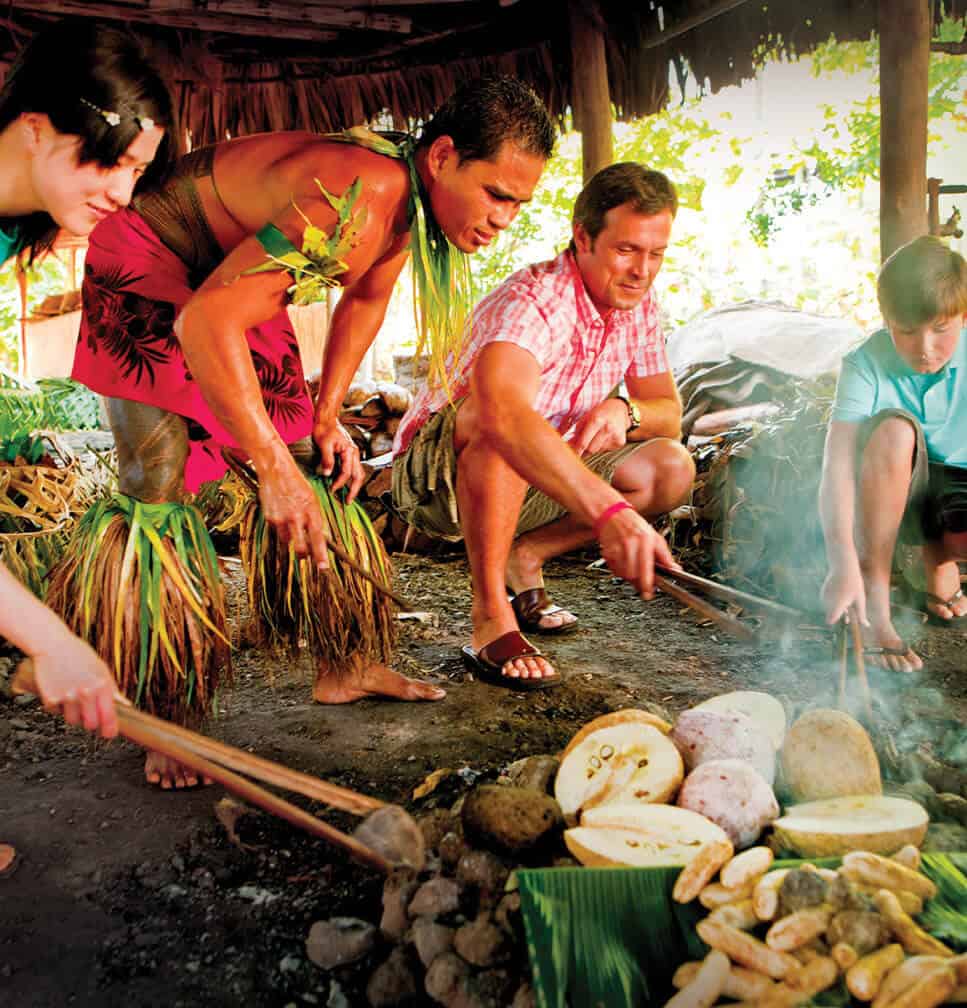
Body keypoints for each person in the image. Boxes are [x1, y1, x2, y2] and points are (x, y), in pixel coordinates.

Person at [55, 76, 555, 786]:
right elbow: (203, 323)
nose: (505, 218)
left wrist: (324, 416)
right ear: (442, 157)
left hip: (228, 273)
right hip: (148, 256)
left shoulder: (405, 205)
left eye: (519, 203)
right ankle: (167, 718)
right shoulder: (361, 193)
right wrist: (269, 467)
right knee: (156, 485)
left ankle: (344, 664)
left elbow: (367, 297)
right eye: (497, 194)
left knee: (314, 458)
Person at [391, 162, 694, 689]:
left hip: (540, 474)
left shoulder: (639, 308)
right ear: (583, 237)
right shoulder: (532, 300)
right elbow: (502, 414)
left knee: (671, 466)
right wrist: (613, 515)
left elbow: (668, 409)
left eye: (656, 254)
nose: (642, 270)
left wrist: (627, 411)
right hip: (437, 482)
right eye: (626, 250)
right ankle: (490, 616)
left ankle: (523, 556)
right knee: (501, 424)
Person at [0, 20, 173, 739]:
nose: (123, 195)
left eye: (138, 172)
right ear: (36, 128)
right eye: (110, 163)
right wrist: (51, 639)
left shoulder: (16, 221)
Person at [819, 234, 967, 673]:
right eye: (906, 331)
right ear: (885, 320)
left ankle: (940, 558)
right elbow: (838, 466)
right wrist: (841, 560)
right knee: (893, 431)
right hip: (894, 487)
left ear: (963, 314)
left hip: (957, 483)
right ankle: (876, 604)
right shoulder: (864, 363)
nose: (925, 348)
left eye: (941, 330)